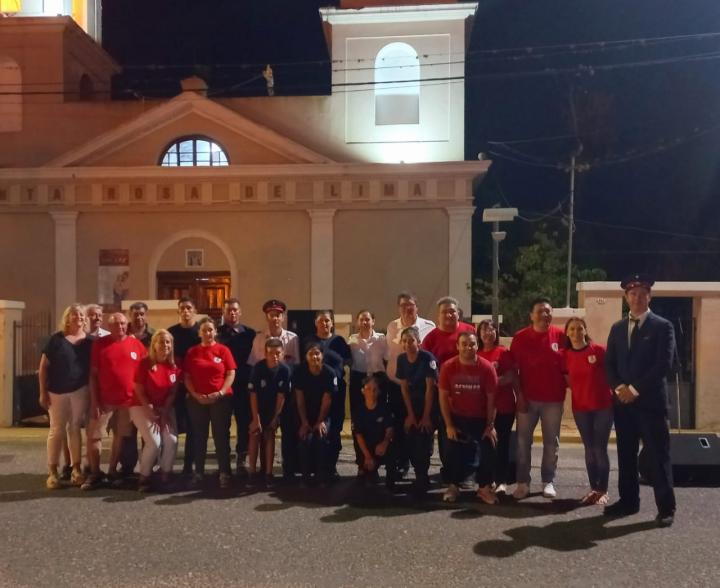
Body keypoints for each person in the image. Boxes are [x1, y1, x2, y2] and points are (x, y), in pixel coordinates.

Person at [604, 274, 677, 527]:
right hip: (623, 406)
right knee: (625, 455)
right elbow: (609, 365)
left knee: (658, 456)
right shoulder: (616, 328)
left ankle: (666, 507)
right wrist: (618, 387)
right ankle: (628, 502)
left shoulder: (662, 326)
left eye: (642, 293)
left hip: (651, 405)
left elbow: (663, 365)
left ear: (650, 296)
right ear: (626, 297)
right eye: (633, 294)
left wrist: (634, 389)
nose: (637, 298)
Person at [510, 297, 567, 500]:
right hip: (527, 400)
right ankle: (523, 483)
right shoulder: (520, 337)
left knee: (552, 443)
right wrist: (520, 396)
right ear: (532, 315)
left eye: (548, 311)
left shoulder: (561, 336)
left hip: (553, 400)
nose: (545, 314)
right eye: (541, 311)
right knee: (523, 442)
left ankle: (548, 481)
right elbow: (513, 370)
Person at [83, 312, 147, 490]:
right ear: (109, 327)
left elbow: (145, 372)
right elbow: (93, 375)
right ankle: (95, 472)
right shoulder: (100, 345)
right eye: (116, 324)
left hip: (128, 402)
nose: (120, 326)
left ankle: (111, 471)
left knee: (119, 437)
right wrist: (95, 402)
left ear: (127, 325)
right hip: (104, 401)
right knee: (94, 436)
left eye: (122, 323)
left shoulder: (137, 345)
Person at [438, 332, 498, 504]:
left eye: (471, 344)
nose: (467, 347)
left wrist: (490, 426)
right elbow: (442, 397)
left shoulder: (487, 368)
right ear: (457, 346)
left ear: (477, 346)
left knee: (490, 446)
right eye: (463, 344)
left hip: (480, 418)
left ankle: (484, 488)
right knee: (450, 449)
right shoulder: (448, 367)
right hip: (457, 417)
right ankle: (453, 486)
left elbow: (492, 401)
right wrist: (449, 424)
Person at [38, 303, 93, 489]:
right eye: (74, 314)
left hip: (80, 390)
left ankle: (76, 468)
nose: (78, 317)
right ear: (67, 318)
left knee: (75, 428)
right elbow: (43, 368)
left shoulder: (89, 341)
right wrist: (42, 392)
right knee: (56, 430)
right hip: (56, 391)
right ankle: (52, 471)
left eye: (81, 314)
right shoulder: (56, 339)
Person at [421, 296, 476, 476]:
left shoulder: (470, 332)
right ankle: (449, 471)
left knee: (469, 432)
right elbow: (426, 368)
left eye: (452, 311)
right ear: (438, 316)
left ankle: (467, 472)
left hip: (469, 393)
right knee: (446, 433)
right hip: (442, 394)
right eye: (444, 311)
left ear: (458, 313)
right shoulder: (430, 339)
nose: (449, 314)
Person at [248, 299, 301, 481]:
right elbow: (255, 366)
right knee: (260, 432)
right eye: (271, 315)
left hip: (284, 393)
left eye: (278, 315)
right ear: (267, 316)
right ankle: (259, 471)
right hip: (263, 394)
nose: (275, 318)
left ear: (283, 317)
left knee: (286, 433)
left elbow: (296, 365)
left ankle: (287, 470)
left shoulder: (292, 338)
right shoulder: (258, 339)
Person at [563, 317, 614, 506]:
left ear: (585, 330)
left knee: (600, 448)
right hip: (581, 408)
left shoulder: (598, 351)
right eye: (572, 329)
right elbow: (567, 380)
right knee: (589, 448)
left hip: (603, 407)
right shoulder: (565, 355)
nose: (576, 332)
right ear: (567, 333)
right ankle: (594, 488)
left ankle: (603, 490)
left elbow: (612, 373)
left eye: (580, 328)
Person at [385, 291, 435, 475]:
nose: (407, 309)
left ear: (416, 307)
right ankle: (402, 463)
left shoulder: (429, 326)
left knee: (423, 427)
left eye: (410, 305)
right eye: (403, 306)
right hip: (397, 384)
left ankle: (422, 468)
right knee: (401, 425)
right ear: (399, 308)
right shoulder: (391, 327)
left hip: (421, 387)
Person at [183, 317, 237, 489]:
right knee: (199, 436)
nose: (207, 333)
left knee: (221, 436)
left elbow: (230, 373)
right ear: (199, 333)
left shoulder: (223, 350)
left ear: (215, 332)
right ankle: (199, 472)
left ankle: (224, 473)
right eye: (204, 330)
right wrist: (195, 394)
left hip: (221, 399)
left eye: (210, 330)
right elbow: (187, 376)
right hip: (197, 400)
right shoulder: (192, 352)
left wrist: (220, 393)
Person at [129, 329, 180, 492]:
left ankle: (165, 474)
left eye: (168, 342)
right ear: (154, 345)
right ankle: (144, 477)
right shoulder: (145, 363)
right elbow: (139, 389)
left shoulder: (174, 365)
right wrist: (150, 409)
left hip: (164, 407)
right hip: (141, 406)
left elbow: (172, 392)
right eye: (161, 341)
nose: (165, 345)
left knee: (171, 439)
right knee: (154, 442)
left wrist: (164, 413)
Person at [304, 310, 351, 479]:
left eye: (328, 321)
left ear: (332, 323)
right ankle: (315, 468)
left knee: (334, 432)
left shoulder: (339, 342)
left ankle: (331, 467)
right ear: (316, 323)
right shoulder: (309, 342)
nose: (325, 324)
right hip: (315, 394)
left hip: (336, 394)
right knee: (316, 431)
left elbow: (348, 361)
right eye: (321, 321)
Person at [477, 319, 518, 496]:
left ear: (496, 333)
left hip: (504, 407)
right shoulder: (475, 353)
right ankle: (487, 480)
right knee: (487, 446)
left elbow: (510, 377)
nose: (488, 333)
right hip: (482, 409)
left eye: (492, 329)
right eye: (484, 330)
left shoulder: (503, 353)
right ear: (479, 333)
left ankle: (501, 481)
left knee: (502, 445)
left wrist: (490, 384)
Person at [216, 298, 256, 476]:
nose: (232, 313)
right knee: (222, 424)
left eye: (235, 310)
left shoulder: (250, 334)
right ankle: (224, 460)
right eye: (228, 310)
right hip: (222, 385)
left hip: (242, 385)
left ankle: (242, 457)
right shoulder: (216, 333)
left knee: (243, 422)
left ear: (240, 312)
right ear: (224, 313)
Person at [395, 326, 437, 494]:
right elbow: (404, 388)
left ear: (418, 342)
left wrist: (426, 416)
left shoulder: (427, 358)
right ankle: (415, 472)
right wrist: (411, 415)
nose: (408, 344)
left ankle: (423, 476)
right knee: (410, 436)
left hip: (428, 404)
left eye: (411, 340)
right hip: (410, 405)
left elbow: (430, 389)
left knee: (423, 437)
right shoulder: (401, 359)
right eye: (404, 341)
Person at [247, 337, 290, 485]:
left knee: (270, 435)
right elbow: (253, 395)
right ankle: (252, 472)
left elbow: (281, 396)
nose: (275, 356)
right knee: (254, 434)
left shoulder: (285, 370)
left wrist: (275, 418)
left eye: (278, 353)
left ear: (283, 353)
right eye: (271, 353)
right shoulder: (258, 368)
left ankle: (268, 473)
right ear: (265, 354)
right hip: (257, 408)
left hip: (273, 410)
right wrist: (255, 418)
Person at [293, 342, 337, 485]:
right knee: (304, 439)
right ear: (306, 357)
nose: (314, 357)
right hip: (305, 414)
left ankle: (321, 475)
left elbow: (326, 402)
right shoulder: (299, 372)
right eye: (311, 354)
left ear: (322, 355)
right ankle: (305, 476)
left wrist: (320, 422)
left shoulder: (329, 373)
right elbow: (300, 400)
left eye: (317, 353)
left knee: (320, 438)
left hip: (323, 415)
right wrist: (304, 423)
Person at [121, 301, 156, 475]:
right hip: (126, 391)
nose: (139, 317)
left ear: (146, 315)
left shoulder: (154, 336)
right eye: (135, 314)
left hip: (147, 391)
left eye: (142, 314)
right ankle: (127, 468)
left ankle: (147, 469)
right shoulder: (122, 334)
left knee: (147, 432)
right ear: (130, 315)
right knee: (128, 433)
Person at [168, 297, 201, 476]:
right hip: (174, 386)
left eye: (189, 308)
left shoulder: (200, 333)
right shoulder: (171, 333)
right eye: (182, 308)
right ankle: (166, 465)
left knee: (192, 427)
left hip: (193, 387)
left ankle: (189, 465)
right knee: (172, 427)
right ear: (178, 311)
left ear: (194, 310)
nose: (186, 311)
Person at [353, 375, 395, 489]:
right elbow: (358, 435)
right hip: (366, 448)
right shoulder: (358, 411)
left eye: (375, 389)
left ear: (379, 392)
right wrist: (367, 456)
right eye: (368, 389)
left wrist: (385, 443)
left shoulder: (385, 408)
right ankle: (367, 471)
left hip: (381, 446)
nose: (372, 392)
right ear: (363, 391)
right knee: (367, 481)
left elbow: (390, 429)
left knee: (392, 449)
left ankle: (391, 481)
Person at [348, 309, 387, 424]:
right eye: (361, 320)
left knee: (379, 412)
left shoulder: (381, 338)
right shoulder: (352, 339)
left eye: (367, 319)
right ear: (357, 322)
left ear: (373, 321)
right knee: (357, 413)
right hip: (358, 379)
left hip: (378, 378)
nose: (364, 322)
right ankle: (357, 440)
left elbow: (387, 358)